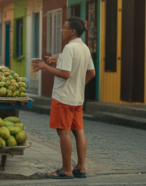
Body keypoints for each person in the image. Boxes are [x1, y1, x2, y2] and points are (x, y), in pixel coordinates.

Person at [35, 17, 95, 179]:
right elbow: (91, 72)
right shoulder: (84, 48)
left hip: (63, 98)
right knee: (79, 131)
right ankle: (81, 167)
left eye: (64, 27)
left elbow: (66, 74)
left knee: (64, 133)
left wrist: (45, 67)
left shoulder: (69, 48)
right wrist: (77, 84)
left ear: (72, 31)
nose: (62, 30)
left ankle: (66, 169)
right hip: (77, 98)